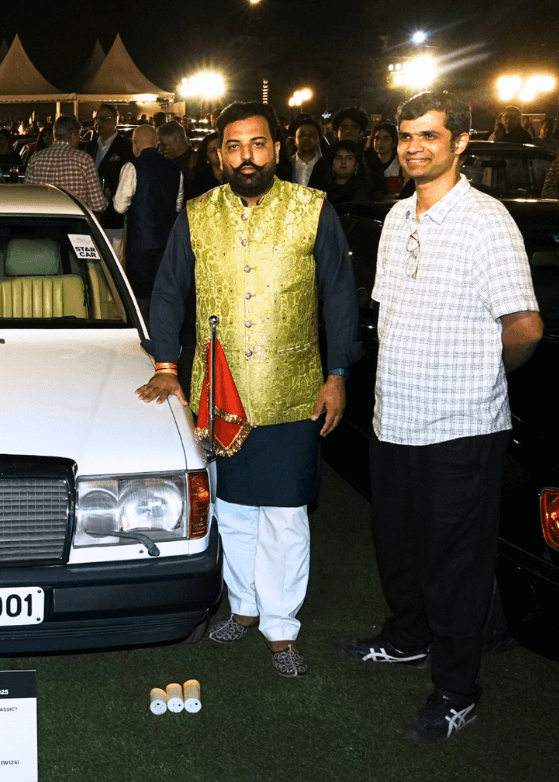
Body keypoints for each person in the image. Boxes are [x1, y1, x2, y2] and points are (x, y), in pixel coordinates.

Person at [341, 91, 543, 742]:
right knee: (398, 544)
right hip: (393, 419)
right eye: (405, 135)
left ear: (461, 142)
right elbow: (391, 314)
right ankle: (407, 637)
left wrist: (484, 375)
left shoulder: (487, 221)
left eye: (429, 134)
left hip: (460, 427)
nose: (414, 145)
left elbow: (525, 326)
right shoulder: (400, 216)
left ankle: (457, 690)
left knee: (455, 563)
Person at [137, 101, 361, 678]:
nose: (246, 157)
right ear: (220, 154)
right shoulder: (197, 213)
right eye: (234, 147)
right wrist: (166, 363)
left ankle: (282, 629)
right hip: (221, 392)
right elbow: (167, 292)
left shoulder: (313, 210)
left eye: (257, 145)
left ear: (277, 148)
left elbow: (339, 296)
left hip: (293, 389)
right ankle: (245, 608)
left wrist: (338, 376)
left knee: (285, 515)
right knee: (233, 510)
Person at [111, 125, 182, 304]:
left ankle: (143, 328)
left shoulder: (132, 166)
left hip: (139, 241)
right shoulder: (175, 168)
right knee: (162, 292)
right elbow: (178, 205)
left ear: (134, 144)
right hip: (167, 240)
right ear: (157, 143)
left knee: (140, 294)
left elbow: (119, 206)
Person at [81, 104, 135, 259]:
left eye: (104, 119)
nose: (99, 123)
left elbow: (130, 177)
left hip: (114, 214)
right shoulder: (90, 146)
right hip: (92, 212)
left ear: (115, 121)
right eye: (97, 119)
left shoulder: (125, 146)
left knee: (113, 259)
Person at [24, 116, 107, 213]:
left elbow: (28, 198)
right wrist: (106, 197)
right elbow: (97, 205)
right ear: (73, 136)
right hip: (74, 224)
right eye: (78, 136)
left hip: (43, 223)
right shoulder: (84, 160)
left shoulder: (36, 159)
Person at [324, 139, 374, 205]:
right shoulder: (322, 188)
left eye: (349, 158)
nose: (343, 162)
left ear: (357, 164)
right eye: (338, 157)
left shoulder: (363, 191)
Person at [364, 121, 402, 197]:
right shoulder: (366, 163)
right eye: (377, 138)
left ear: (394, 142)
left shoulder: (400, 165)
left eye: (386, 138)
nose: (379, 142)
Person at [157, 121, 196, 188]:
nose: (161, 149)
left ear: (178, 140)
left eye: (164, 145)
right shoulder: (194, 159)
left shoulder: (196, 163)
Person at [186, 130, 223, 200]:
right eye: (212, 150)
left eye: (220, 147)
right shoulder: (199, 181)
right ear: (207, 157)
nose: (218, 152)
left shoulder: (236, 176)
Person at [288, 118, 324, 187]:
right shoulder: (285, 166)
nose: (306, 138)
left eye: (311, 135)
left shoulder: (326, 167)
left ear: (318, 139)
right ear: (295, 141)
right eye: (301, 135)